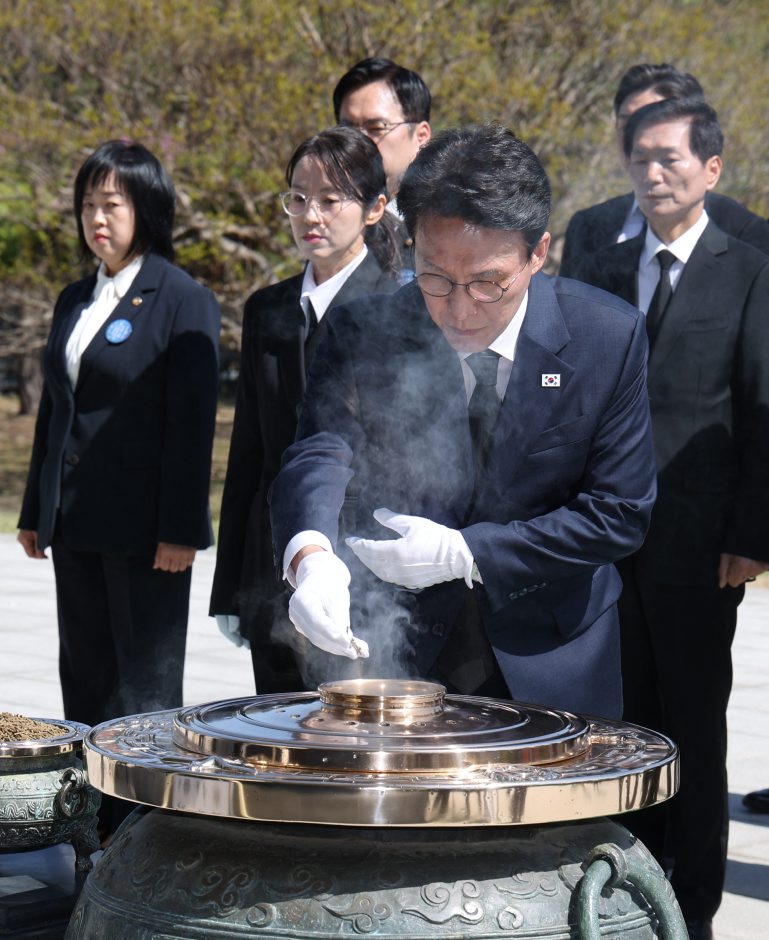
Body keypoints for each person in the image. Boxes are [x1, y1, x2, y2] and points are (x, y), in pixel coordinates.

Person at [268, 124, 657, 717]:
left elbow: (619, 513)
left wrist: (467, 552)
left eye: (487, 283)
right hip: (398, 646)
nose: (458, 308)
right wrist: (312, 557)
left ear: (537, 253)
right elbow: (320, 453)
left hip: (553, 652)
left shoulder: (604, 338)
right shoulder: (361, 332)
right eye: (435, 277)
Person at [576, 97, 769, 940]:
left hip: (698, 543)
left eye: (670, 158)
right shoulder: (603, 264)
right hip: (604, 540)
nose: (652, 173)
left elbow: (760, 407)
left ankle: (690, 907)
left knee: (690, 722)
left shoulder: (748, 267)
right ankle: (626, 888)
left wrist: (751, 534)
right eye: (640, 158)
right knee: (621, 724)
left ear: (710, 168)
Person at [17, 139, 220, 836]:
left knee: (146, 691)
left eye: (113, 204)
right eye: (87, 205)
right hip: (76, 523)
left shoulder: (183, 298)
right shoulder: (75, 298)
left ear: (148, 209)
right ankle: (92, 830)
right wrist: (35, 509)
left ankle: (146, 835)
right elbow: (56, 410)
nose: (97, 219)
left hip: (145, 532)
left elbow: (192, 425)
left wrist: (181, 528)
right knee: (86, 680)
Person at [210, 126, 400, 692]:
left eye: (330, 199)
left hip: (361, 575)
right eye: (297, 197)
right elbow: (249, 452)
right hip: (270, 570)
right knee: (276, 730)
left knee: (350, 733)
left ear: (375, 209)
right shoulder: (266, 309)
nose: (309, 215)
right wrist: (229, 588)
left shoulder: (399, 304)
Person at [559, 63, 769, 278]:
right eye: (627, 123)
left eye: (652, 119)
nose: (637, 135)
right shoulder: (587, 225)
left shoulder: (746, 232)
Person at [333, 57, 432, 280]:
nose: (358, 141)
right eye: (347, 130)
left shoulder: (447, 222)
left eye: (376, 127)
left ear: (421, 136)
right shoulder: (326, 220)